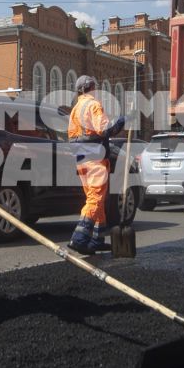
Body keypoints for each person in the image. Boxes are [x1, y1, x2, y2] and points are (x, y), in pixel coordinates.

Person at [64, 74, 125, 256]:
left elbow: (72, 135)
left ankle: (97, 240)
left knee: (96, 198)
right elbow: (105, 129)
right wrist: (122, 121)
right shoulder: (93, 105)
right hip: (95, 158)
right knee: (96, 199)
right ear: (92, 87)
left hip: (82, 159)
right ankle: (79, 238)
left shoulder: (75, 109)